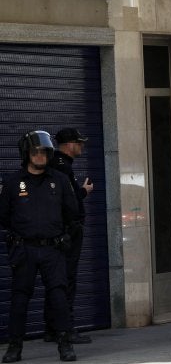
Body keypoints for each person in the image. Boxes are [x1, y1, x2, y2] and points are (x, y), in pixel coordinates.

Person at [0, 130, 79, 362]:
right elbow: (3, 216)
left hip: (52, 250)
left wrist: (62, 237)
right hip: (24, 250)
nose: (40, 156)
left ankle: (65, 344)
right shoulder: (13, 183)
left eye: (44, 152)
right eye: (35, 152)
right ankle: (14, 347)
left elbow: (72, 213)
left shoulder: (60, 180)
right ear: (26, 154)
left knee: (58, 297)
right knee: (20, 299)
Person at [44, 128, 94, 345]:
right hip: (67, 232)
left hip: (58, 231)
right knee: (66, 280)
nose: (82, 146)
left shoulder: (57, 165)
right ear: (69, 144)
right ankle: (65, 329)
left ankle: (52, 328)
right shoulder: (62, 167)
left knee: (56, 280)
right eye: (79, 142)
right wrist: (85, 191)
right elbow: (70, 200)